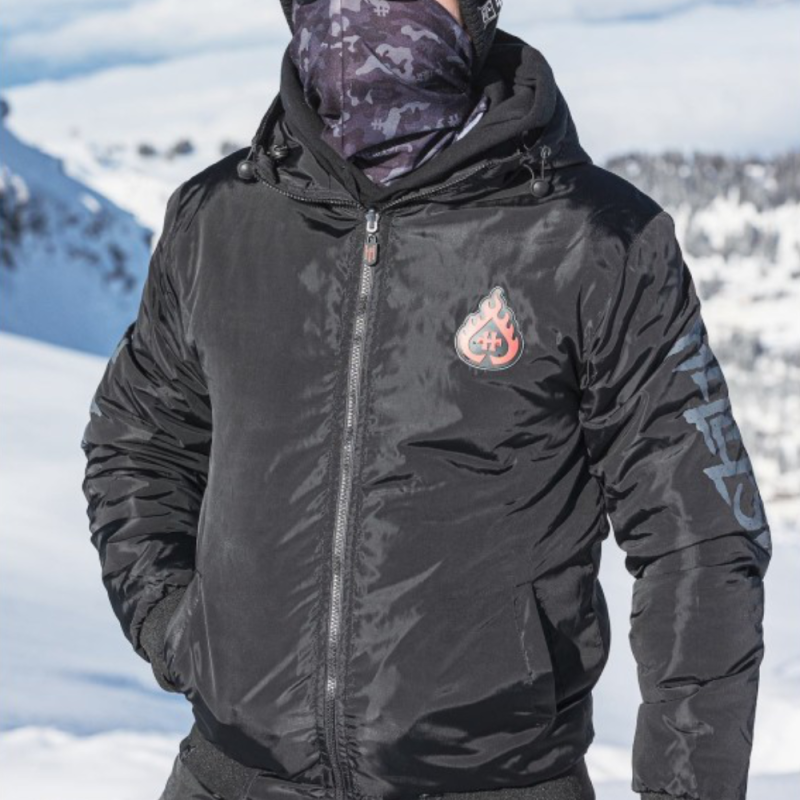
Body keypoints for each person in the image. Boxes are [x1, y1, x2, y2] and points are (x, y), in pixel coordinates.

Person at [80, 1, 773, 799]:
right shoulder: (219, 222)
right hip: (228, 778)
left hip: (497, 782)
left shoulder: (594, 238)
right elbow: (137, 440)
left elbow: (700, 539)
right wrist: (173, 624)